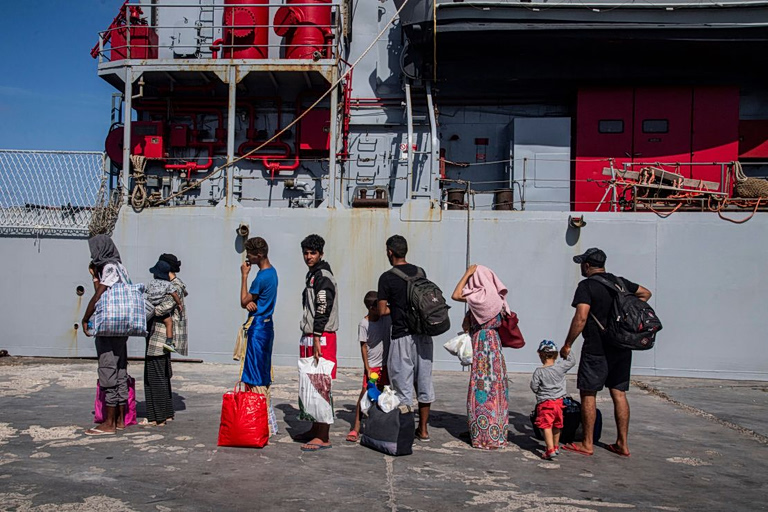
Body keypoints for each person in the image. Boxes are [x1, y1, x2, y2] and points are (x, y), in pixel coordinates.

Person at [560, 248, 652, 457]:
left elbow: (581, 317)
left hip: (596, 348)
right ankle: (622, 443)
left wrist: (567, 343)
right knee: (619, 393)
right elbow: (646, 293)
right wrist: (628, 311)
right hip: (622, 346)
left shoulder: (586, 286)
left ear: (587, 265)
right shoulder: (620, 283)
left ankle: (587, 443)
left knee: (588, 393)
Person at [377, 234, 434, 442]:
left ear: (390, 252)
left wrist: (398, 308)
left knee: (402, 385)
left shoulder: (387, 277)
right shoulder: (421, 272)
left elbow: (383, 310)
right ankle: (424, 430)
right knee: (424, 382)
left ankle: (405, 430)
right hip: (425, 335)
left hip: (402, 335)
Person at [451, 264, 509, 450]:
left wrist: (467, 272)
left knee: (480, 388)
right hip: (495, 345)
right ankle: (497, 434)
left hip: (481, 342)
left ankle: (481, 434)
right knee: (496, 389)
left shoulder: (477, 300)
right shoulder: (498, 300)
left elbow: (455, 295)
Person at [81, 234, 130, 436]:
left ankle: (108, 423)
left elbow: (99, 296)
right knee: (120, 368)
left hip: (108, 326)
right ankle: (119, 419)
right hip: (122, 325)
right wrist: (95, 275)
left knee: (107, 367)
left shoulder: (108, 267)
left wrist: (86, 318)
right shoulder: (121, 267)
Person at [296, 234, 339, 452]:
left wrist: (316, 335)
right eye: (306, 252)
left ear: (321, 253)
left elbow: (323, 307)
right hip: (312, 335)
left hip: (321, 337)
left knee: (322, 385)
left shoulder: (322, 276)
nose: (308, 256)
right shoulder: (312, 275)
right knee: (311, 385)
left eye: (312, 253)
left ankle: (324, 436)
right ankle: (315, 429)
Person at [239, 237, 279, 435]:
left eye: (250, 254)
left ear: (259, 255)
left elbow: (243, 300)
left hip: (257, 328)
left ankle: (256, 420)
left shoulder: (261, 277)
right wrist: (250, 302)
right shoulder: (273, 273)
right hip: (268, 326)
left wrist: (244, 275)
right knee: (263, 372)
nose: (247, 258)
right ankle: (267, 420)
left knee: (253, 373)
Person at [143, 253, 188, 426]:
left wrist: (146, 308)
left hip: (159, 336)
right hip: (160, 336)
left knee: (155, 376)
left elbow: (161, 309)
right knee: (159, 375)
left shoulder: (174, 286)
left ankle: (158, 417)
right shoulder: (172, 286)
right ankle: (164, 413)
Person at [347, 291, 391, 443]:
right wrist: (367, 367)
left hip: (386, 365)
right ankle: (356, 427)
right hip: (373, 366)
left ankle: (382, 426)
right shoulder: (364, 324)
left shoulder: (385, 318)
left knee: (386, 395)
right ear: (372, 308)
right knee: (365, 392)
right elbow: (363, 346)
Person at [530, 340, 576, 460]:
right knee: (557, 425)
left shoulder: (539, 372)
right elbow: (572, 361)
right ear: (555, 355)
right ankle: (555, 447)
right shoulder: (560, 367)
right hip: (559, 403)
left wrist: (539, 391)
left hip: (545, 403)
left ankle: (549, 449)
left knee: (546, 426)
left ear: (540, 355)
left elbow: (534, 386)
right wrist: (567, 350)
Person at [146, 259, 183, 353]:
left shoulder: (151, 283)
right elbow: (174, 295)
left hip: (149, 307)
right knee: (169, 322)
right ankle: (169, 342)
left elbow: (146, 291)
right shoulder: (168, 284)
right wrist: (179, 303)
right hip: (160, 308)